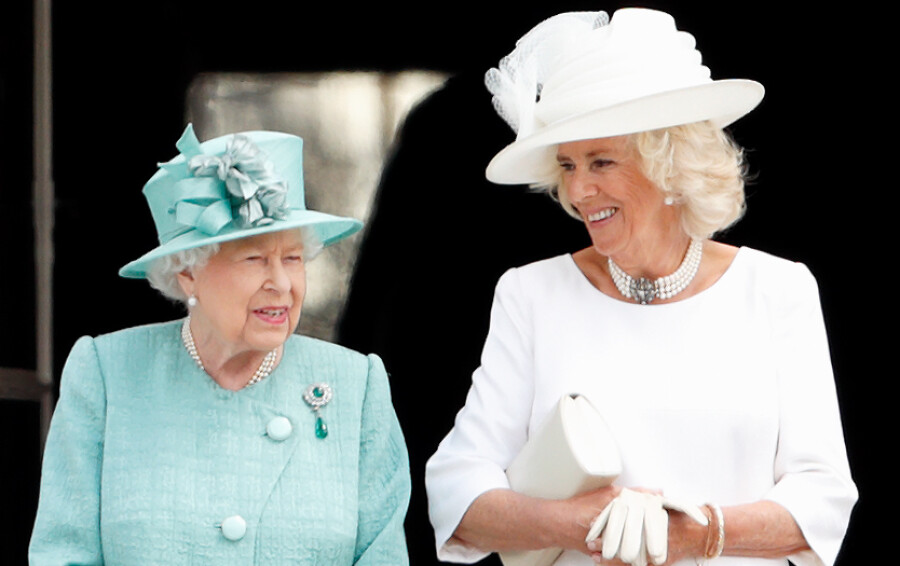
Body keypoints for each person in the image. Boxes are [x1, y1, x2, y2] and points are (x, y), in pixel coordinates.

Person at [425, 8, 857, 566]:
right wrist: (575, 525)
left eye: (601, 161)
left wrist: (703, 533)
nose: (579, 191)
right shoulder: (531, 295)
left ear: (671, 167)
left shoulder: (777, 289)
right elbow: (456, 492)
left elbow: (822, 500)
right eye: (568, 166)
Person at [29, 124, 411, 565]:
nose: (283, 284)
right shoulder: (106, 373)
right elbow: (63, 555)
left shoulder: (356, 386)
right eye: (254, 259)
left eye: (292, 258)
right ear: (186, 272)